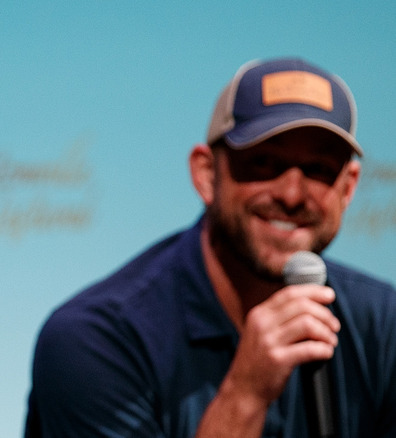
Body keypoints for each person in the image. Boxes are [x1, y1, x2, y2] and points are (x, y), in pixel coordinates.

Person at [26, 57, 396, 437]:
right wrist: (245, 395)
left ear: (348, 188)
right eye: (264, 163)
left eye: (318, 169)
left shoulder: (385, 324)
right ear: (206, 175)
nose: (291, 194)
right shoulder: (93, 340)